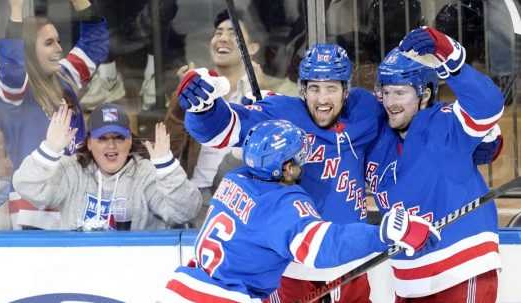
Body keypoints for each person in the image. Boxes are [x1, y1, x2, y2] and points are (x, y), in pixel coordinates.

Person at [177, 41, 386, 302]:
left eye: (331, 88)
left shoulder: (365, 110)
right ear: (302, 90)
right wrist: (204, 108)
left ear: (346, 91)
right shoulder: (280, 116)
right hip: (294, 268)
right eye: (314, 88)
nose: (322, 99)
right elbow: (222, 129)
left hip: (351, 262)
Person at [163, 119, 439, 302]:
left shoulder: (234, 179)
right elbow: (324, 246)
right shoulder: (282, 203)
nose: (303, 163)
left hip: (182, 289)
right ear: (284, 166)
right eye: (297, 157)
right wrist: (386, 231)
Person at [367, 27, 504, 301]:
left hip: (461, 270)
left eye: (400, 93)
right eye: (386, 92)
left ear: (425, 95)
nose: (391, 103)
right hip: (407, 281)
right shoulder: (375, 140)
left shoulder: (444, 122)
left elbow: (488, 105)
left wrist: (450, 57)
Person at [165, 8, 298, 227]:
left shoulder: (268, 88)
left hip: (248, 196)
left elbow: (293, 133)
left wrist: (265, 92)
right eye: (218, 32)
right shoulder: (199, 88)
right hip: (198, 198)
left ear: (253, 48)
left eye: (233, 33)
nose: (223, 38)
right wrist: (182, 102)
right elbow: (170, 146)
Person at [0, 0, 108, 229]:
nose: (59, 48)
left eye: (57, 41)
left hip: (74, 201)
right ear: (28, 50)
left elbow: (95, 44)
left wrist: (80, 2)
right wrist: (16, 11)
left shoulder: (64, 77)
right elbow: (14, 66)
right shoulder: (17, 91)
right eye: (49, 43)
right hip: (34, 209)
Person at [12, 103, 202, 230]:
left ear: (130, 142)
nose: (111, 146)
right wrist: (50, 149)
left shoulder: (146, 173)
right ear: (89, 143)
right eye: (102, 138)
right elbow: (26, 187)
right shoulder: (72, 170)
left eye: (119, 138)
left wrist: (168, 168)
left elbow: (186, 212)